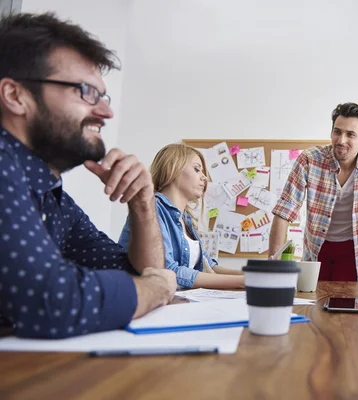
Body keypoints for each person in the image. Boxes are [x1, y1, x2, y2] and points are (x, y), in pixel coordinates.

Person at [0, 13, 176, 339]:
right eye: (85, 91)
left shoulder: (53, 198)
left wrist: (143, 204)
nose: (106, 112)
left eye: (103, 96)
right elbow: (53, 302)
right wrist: (154, 288)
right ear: (15, 96)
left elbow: (137, 271)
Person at [268, 102, 358, 285]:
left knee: (349, 306)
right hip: (316, 250)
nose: (341, 140)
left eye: (350, 134)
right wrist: (272, 265)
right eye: (337, 132)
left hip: (352, 251)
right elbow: (284, 210)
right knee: (312, 305)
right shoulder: (310, 159)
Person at [120, 143, 245, 289]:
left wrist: (249, 275)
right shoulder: (153, 209)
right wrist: (241, 282)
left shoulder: (186, 219)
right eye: (197, 169)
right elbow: (167, 272)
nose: (204, 177)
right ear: (172, 169)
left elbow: (207, 265)